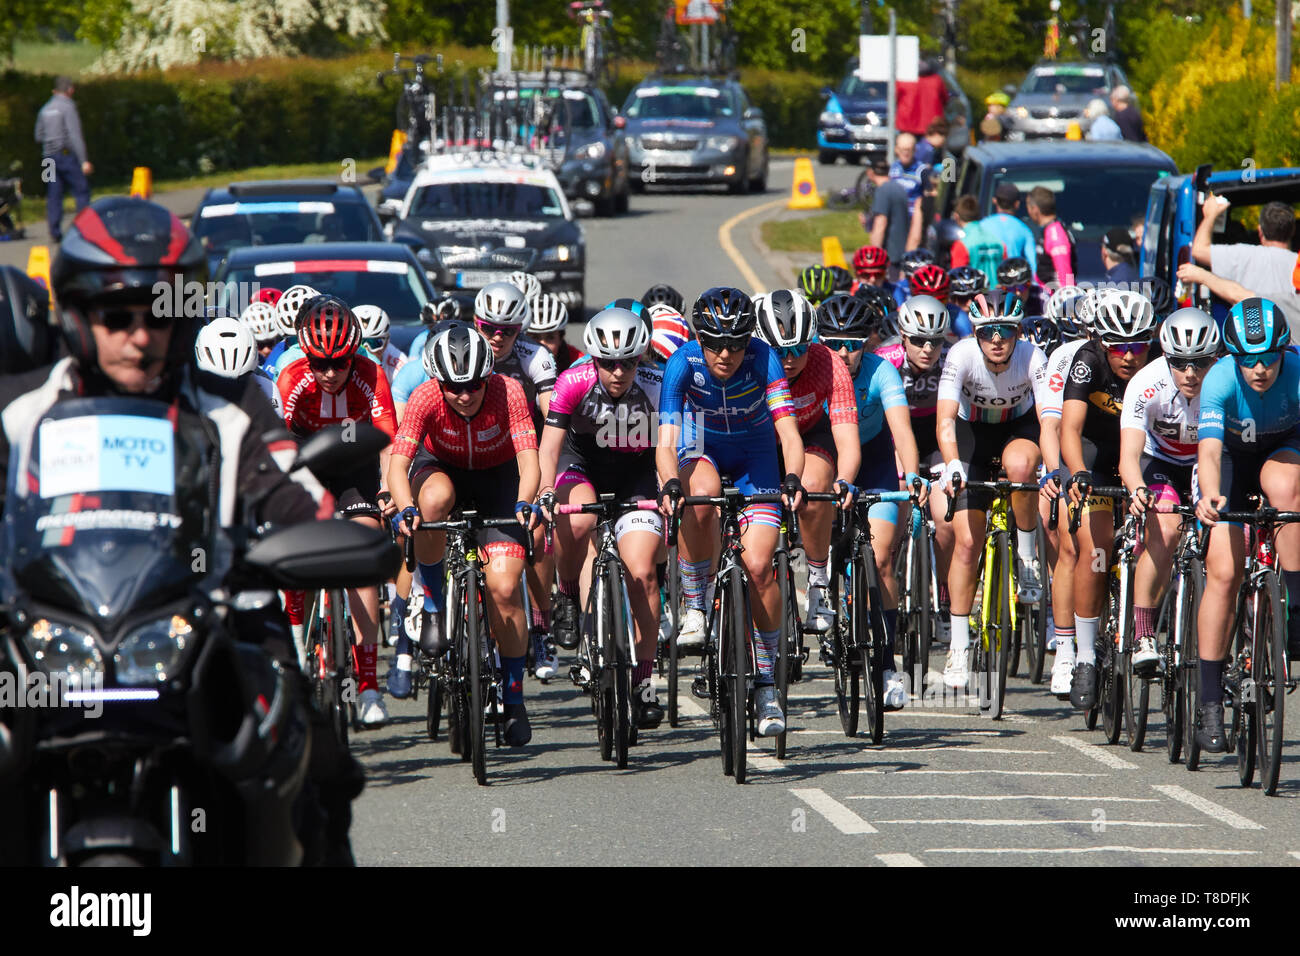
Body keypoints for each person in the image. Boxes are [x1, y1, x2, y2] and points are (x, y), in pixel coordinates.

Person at [0, 196, 359, 865]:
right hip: (45, 638)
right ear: (78, 316)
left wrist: (321, 535)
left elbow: (291, 494)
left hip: (214, 630)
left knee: (315, 760)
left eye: (158, 313)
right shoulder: (20, 411)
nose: (141, 335)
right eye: (118, 315)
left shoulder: (227, 403)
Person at [656, 287, 806, 737]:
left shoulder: (765, 360)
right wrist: (669, 484)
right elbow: (665, 442)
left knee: (760, 567)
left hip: (756, 458)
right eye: (716, 343)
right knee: (697, 494)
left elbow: (790, 434)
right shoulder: (683, 362)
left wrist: (792, 478)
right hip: (702, 451)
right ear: (699, 337)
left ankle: (765, 683)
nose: (727, 353)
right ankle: (697, 606)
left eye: (737, 343)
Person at [386, 324, 542, 744]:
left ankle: (512, 697)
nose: (466, 395)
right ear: (439, 382)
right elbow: (398, 466)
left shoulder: (508, 391)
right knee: (433, 499)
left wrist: (526, 502)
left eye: (474, 385)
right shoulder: (424, 396)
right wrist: (405, 509)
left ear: (487, 377)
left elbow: (529, 462)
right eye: (455, 387)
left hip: (499, 481)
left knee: (506, 587)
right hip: (442, 470)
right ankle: (434, 605)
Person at [537, 309, 666, 726]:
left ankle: (645, 680)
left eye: (627, 361)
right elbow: (550, 448)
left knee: (644, 572)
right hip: (583, 465)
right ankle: (569, 594)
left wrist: (669, 488)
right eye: (608, 362)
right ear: (593, 359)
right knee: (577, 521)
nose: (617, 371)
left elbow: (670, 450)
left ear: (640, 358)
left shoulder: (655, 385)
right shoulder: (572, 381)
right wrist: (543, 491)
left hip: (636, 472)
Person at [278, 295, 398, 727]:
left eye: (340, 363)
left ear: (354, 356)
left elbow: (389, 443)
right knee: (295, 548)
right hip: (305, 467)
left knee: (363, 551)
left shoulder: (371, 373)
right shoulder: (290, 377)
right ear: (306, 356)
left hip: (354, 469)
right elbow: (275, 447)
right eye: (320, 363)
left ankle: (367, 685)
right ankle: (295, 648)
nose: (330, 373)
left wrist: (387, 491)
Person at [1195, 298, 1300, 752]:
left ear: (1284, 350)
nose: (1258, 368)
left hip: (1284, 445)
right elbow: (1210, 453)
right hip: (1232, 460)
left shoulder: (1297, 374)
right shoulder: (1219, 379)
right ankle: (1210, 700)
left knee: (1286, 492)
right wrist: (1210, 497)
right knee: (1223, 572)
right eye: (1247, 360)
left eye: (1268, 357)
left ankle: (1295, 610)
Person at [936, 290, 1049, 689]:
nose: (997, 339)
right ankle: (960, 648)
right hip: (972, 435)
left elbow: (1048, 419)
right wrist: (951, 464)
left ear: (1019, 332)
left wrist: (1050, 468)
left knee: (1021, 467)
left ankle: (1026, 557)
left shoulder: (1033, 356)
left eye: (1006, 330)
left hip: (1018, 431)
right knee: (966, 543)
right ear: (975, 333)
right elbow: (947, 418)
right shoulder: (961, 355)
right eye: (988, 331)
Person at [819, 293, 927, 708]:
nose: (844, 353)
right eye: (834, 343)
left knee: (880, 560)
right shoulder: (815, 371)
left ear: (869, 341)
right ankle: (823, 586)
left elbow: (902, 431)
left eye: (853, 343)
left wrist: (912, 474)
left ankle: (885, 665)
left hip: (876, 464)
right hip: (827, 462)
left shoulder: (883, 370)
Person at [1059, 289, 1156, 711]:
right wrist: (1077, 471)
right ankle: (1083, 657)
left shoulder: (1159, 364)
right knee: (1095, 551)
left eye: (1138, 345)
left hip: (1145, 453)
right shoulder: (1088, 361)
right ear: (1102, 341)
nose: (1129, 356)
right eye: (1119, 346)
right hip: (1097, 456)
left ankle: (1149, 626)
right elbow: (1069, 428)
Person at [1118, 308, 1219, 680]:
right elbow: (1129, 454)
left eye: (1201, 362)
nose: (1190, 373)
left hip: (1205, 460)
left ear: (1215, 358)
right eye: (1180, 363)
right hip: (1157, 459)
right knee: (1166, 524)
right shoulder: (1146, 383)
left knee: (1230, 530)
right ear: (1166, 357)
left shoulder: (1225, 381)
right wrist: (1138, 489)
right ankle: (1144, 634)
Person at [752, 290, 859, 635]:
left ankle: (817, 579)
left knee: (814, 489)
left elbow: (847, 439)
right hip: (762, 445)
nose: (789, 359)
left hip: (812, 436)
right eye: (779, 351)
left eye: (799, 348)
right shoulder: (750, 362)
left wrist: (844, 479)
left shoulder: (829, 362)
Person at [1036, 285, 1096, 697]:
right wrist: (1057, 473)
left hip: (1117, 450)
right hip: (1069, 449)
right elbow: (1052, 425)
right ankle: (1065, 649)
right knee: (1068, 545)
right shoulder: (1066, 356)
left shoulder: (1135, 358)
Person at [1183, 198, 1300, 335]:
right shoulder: (1297, 262)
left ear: (1260, 231)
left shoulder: (1242, 254)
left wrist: (1211, 215)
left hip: (1249, 341)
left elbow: (1198, 250)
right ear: (1293, 231)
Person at [34, 76, 92, 243]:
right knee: (81, 190)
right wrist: (84, 160)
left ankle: (54, 231)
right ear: (70, 90)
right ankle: (84, 230)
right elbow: (75, 135)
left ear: (54, 91)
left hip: (48, 159)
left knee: (53, 193)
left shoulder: (45, 109)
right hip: (65, 156)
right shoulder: (68, 107)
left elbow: (38, 136)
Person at [859, 158, 912, 274]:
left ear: (870, 172)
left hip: (889, 256)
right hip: (902, 252)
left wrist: (873, 258)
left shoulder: (882, 191)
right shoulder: (899, 188)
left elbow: (880, 224)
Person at [981, 182, 1038, 275]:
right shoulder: (1024, 230)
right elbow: (1033, 267)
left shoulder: (981, 227)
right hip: (1013, 287)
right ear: (1017, 204)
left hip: (985, 287)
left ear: (994, 200)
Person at [1026, 185, 1077, 289]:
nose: (1028, 212)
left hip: (1056, 299)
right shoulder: (1049, 230)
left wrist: (1066, 300)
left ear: (1035, 209)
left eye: (1028, 207)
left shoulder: (1055, 234)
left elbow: (1065, 276)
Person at [525, 293, 581, 373]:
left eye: (550, 337)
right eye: (535, 337)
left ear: (561, 339)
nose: (543, 345)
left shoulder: (577, 362)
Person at [888, 133, 931, 213]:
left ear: (914, 150)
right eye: (902, 149)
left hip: (913, 215)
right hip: (894, 214)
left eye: (908, 149)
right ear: (896, 150)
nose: (905, 153)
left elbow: (928, 193)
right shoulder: (893, 167)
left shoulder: (921, 170)